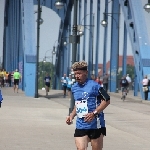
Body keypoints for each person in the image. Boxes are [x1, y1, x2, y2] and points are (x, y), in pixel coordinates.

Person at [66, 60, 110, 150]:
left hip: (96, 125)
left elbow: (107, 100)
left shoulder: (95, 86)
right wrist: (71, 116)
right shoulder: (74, 87)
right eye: (75, 73)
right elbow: (78, 104)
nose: (77, 76)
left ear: (86, 72)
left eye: (79, 73)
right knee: (81, 148)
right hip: (81, 125)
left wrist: (94, 113)